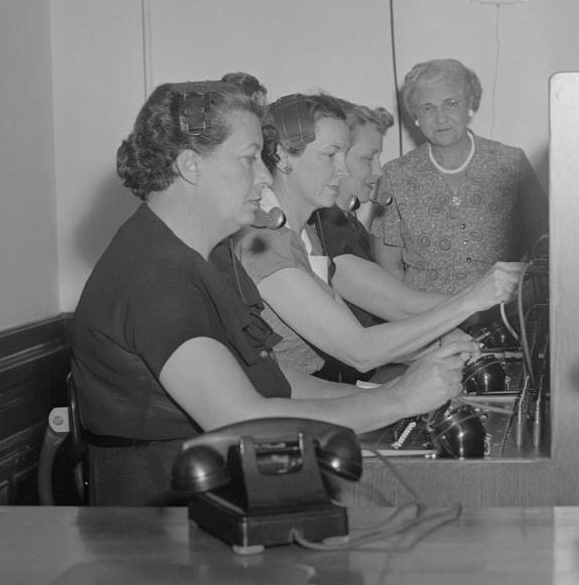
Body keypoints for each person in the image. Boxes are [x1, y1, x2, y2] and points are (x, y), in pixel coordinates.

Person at [70, 78, 472, 506]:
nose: (264, 177)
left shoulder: (203, 258)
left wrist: (394, 396)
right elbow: (239, 418)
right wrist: (397, 400)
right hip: (161, 522)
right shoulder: (153, 275)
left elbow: (272, 381)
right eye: (248, 160)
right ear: (191, 165)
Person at [216, 92, 524, 381]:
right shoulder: (264, 241)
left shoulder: (305, 233)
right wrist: (472, 300)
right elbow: (359, 350)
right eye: (331, 155)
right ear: (283, 157)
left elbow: (351, 333)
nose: (342, 170)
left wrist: (438, 347)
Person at [371, 58, 548, 296]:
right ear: (415, 116)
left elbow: (544, 246)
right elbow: (388, 268)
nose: (440, 118)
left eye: (451, 104)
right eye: (427, 108)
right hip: (429, 319)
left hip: (505, 315)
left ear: (470, 105)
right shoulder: (395, 175)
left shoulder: (510, 163)